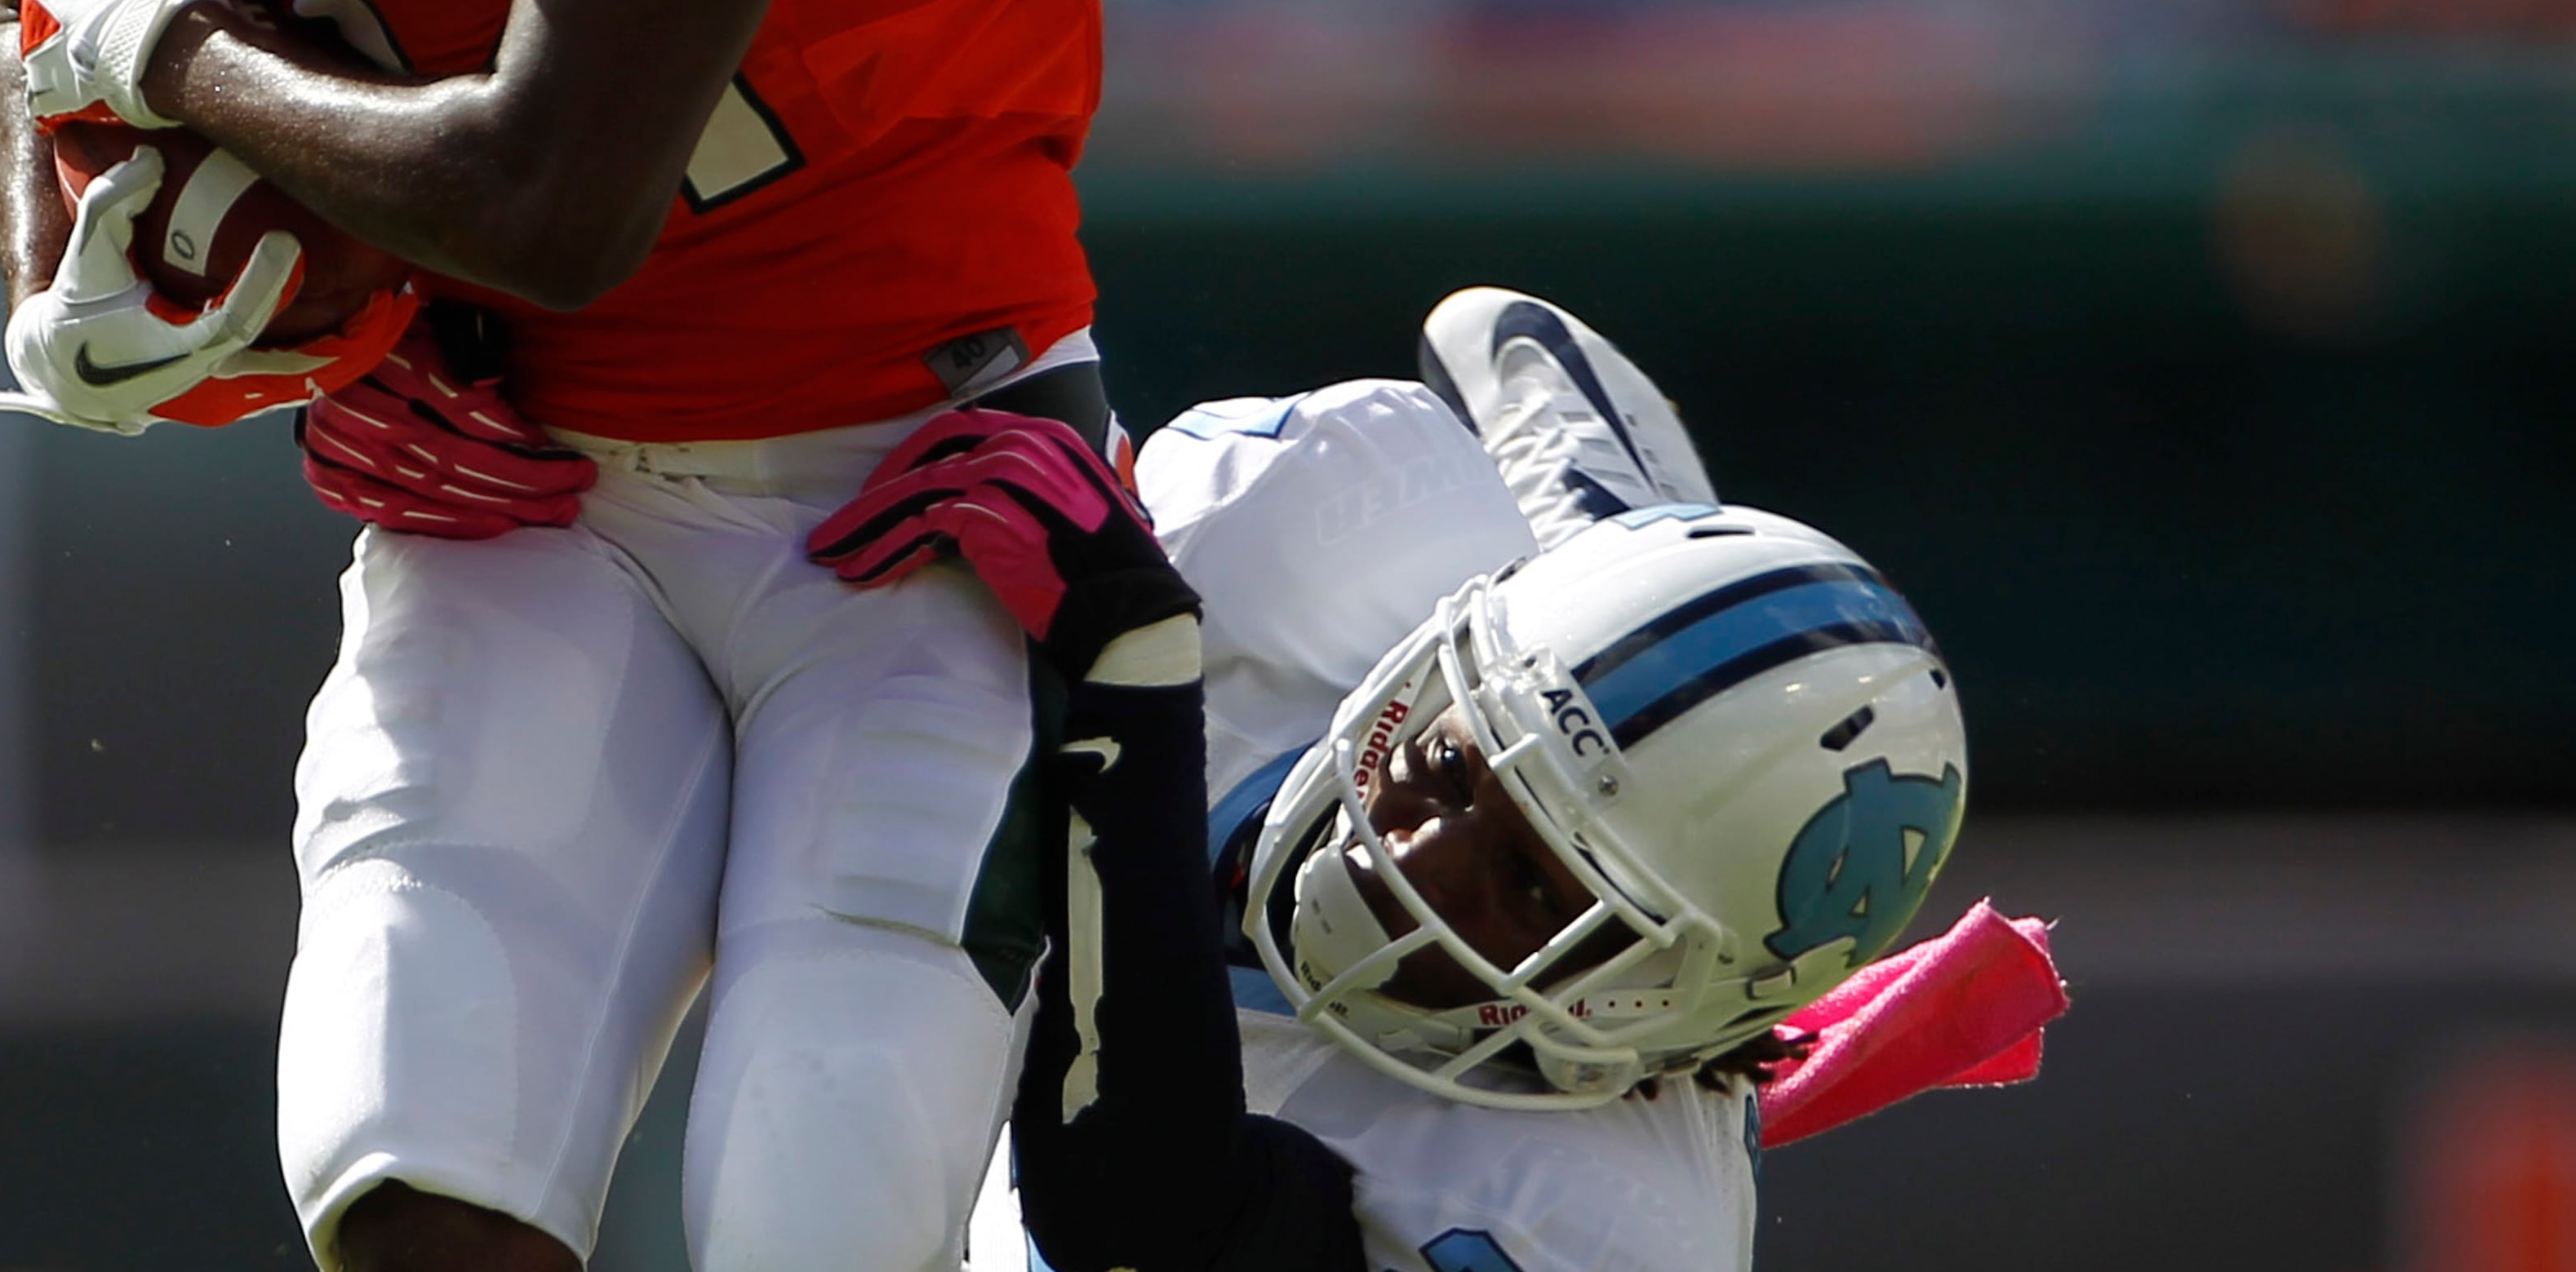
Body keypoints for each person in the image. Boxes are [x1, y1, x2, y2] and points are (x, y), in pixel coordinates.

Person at [0, 0, 1111, 1268]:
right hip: (516, 474)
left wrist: (183, 54)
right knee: (412, 1176)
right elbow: (51, 1)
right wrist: (58, 289)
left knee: (824, 1206)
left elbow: (551, 203)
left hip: (906, 450)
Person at [813, 288, 2016, 1272]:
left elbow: (1136, 1223)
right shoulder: (1325, 523)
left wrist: (1135, 688)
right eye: (1449, 766)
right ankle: (1597, 548)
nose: (1414, 854)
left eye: (1534, 888)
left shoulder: (1587, 1222)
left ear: (1659, 1004)